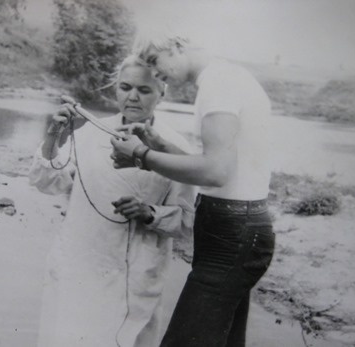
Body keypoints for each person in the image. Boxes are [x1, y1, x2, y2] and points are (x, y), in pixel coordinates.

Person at [110, 33, 276, 347]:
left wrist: (141, 154)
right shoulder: (229, 76)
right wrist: (160, 146)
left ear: (176, 47)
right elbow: (224, 170)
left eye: (155, 63)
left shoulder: (218, 83)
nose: (156, 74)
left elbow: (215, 172)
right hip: (237, 229)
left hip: (233, 235)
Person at [28, 55, 196, 347]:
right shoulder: (91, 132)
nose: (132, 97)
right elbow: (48, 181)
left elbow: (186, 222)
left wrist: (149, 213)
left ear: (162, 92)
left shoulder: (175, 147)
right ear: (115, 88)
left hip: (134, 278)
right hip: (79, 267)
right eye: (125, 87)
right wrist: (53, 136)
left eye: (144, 90)